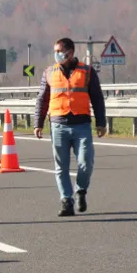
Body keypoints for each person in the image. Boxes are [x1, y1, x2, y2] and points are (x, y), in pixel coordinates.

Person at [34, 37, 106, 216]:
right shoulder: (49, 72)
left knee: (86, 162)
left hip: (81, 124)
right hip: (58, 125)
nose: (57, 55)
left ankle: (81, 191)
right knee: (61, 166)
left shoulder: (87, 71)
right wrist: (38, 123)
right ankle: (66, 200)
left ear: (70, 53)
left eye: (60, 52)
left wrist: (101, 122)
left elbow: (97, 98)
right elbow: (42, 99)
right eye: (55, 52)